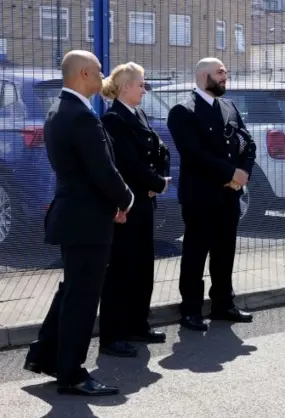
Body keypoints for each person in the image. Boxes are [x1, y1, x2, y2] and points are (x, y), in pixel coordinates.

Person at [23, 50, 134, 395]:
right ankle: (71, 374)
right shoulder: (81, 117)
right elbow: (102, 170)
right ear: (85, 74)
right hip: (87, 220)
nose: (104, 77)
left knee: (72, 289)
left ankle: (46, 355)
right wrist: (126, 200)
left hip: (75, 215)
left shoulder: (58, 110)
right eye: (100, 71)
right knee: (82, 298)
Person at [167, 57, 256, 331]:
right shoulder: (183, 111)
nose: (224, 76)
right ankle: (191, 310)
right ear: (203, 75)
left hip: (229, 195)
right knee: (196, 253)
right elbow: (194, 154)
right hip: (201, 196)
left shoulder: (228, 106)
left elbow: (247, 142)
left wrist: (243, 173)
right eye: (220, 72)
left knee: (225, 251)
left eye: (225, 72)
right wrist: (231, 173)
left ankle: (222, 304)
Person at [98, 62, 171, 357]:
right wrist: (156, 182)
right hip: (126, 203)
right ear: (125, 86)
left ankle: (138, 324)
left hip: (144, 200)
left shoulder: (137, 114)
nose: (144, 89)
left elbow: (161, 149)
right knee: (121, 269)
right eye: (141, 84)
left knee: (142, 266)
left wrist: (159, 181)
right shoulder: (114, 119)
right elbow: (126, 163)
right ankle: (114, 334)